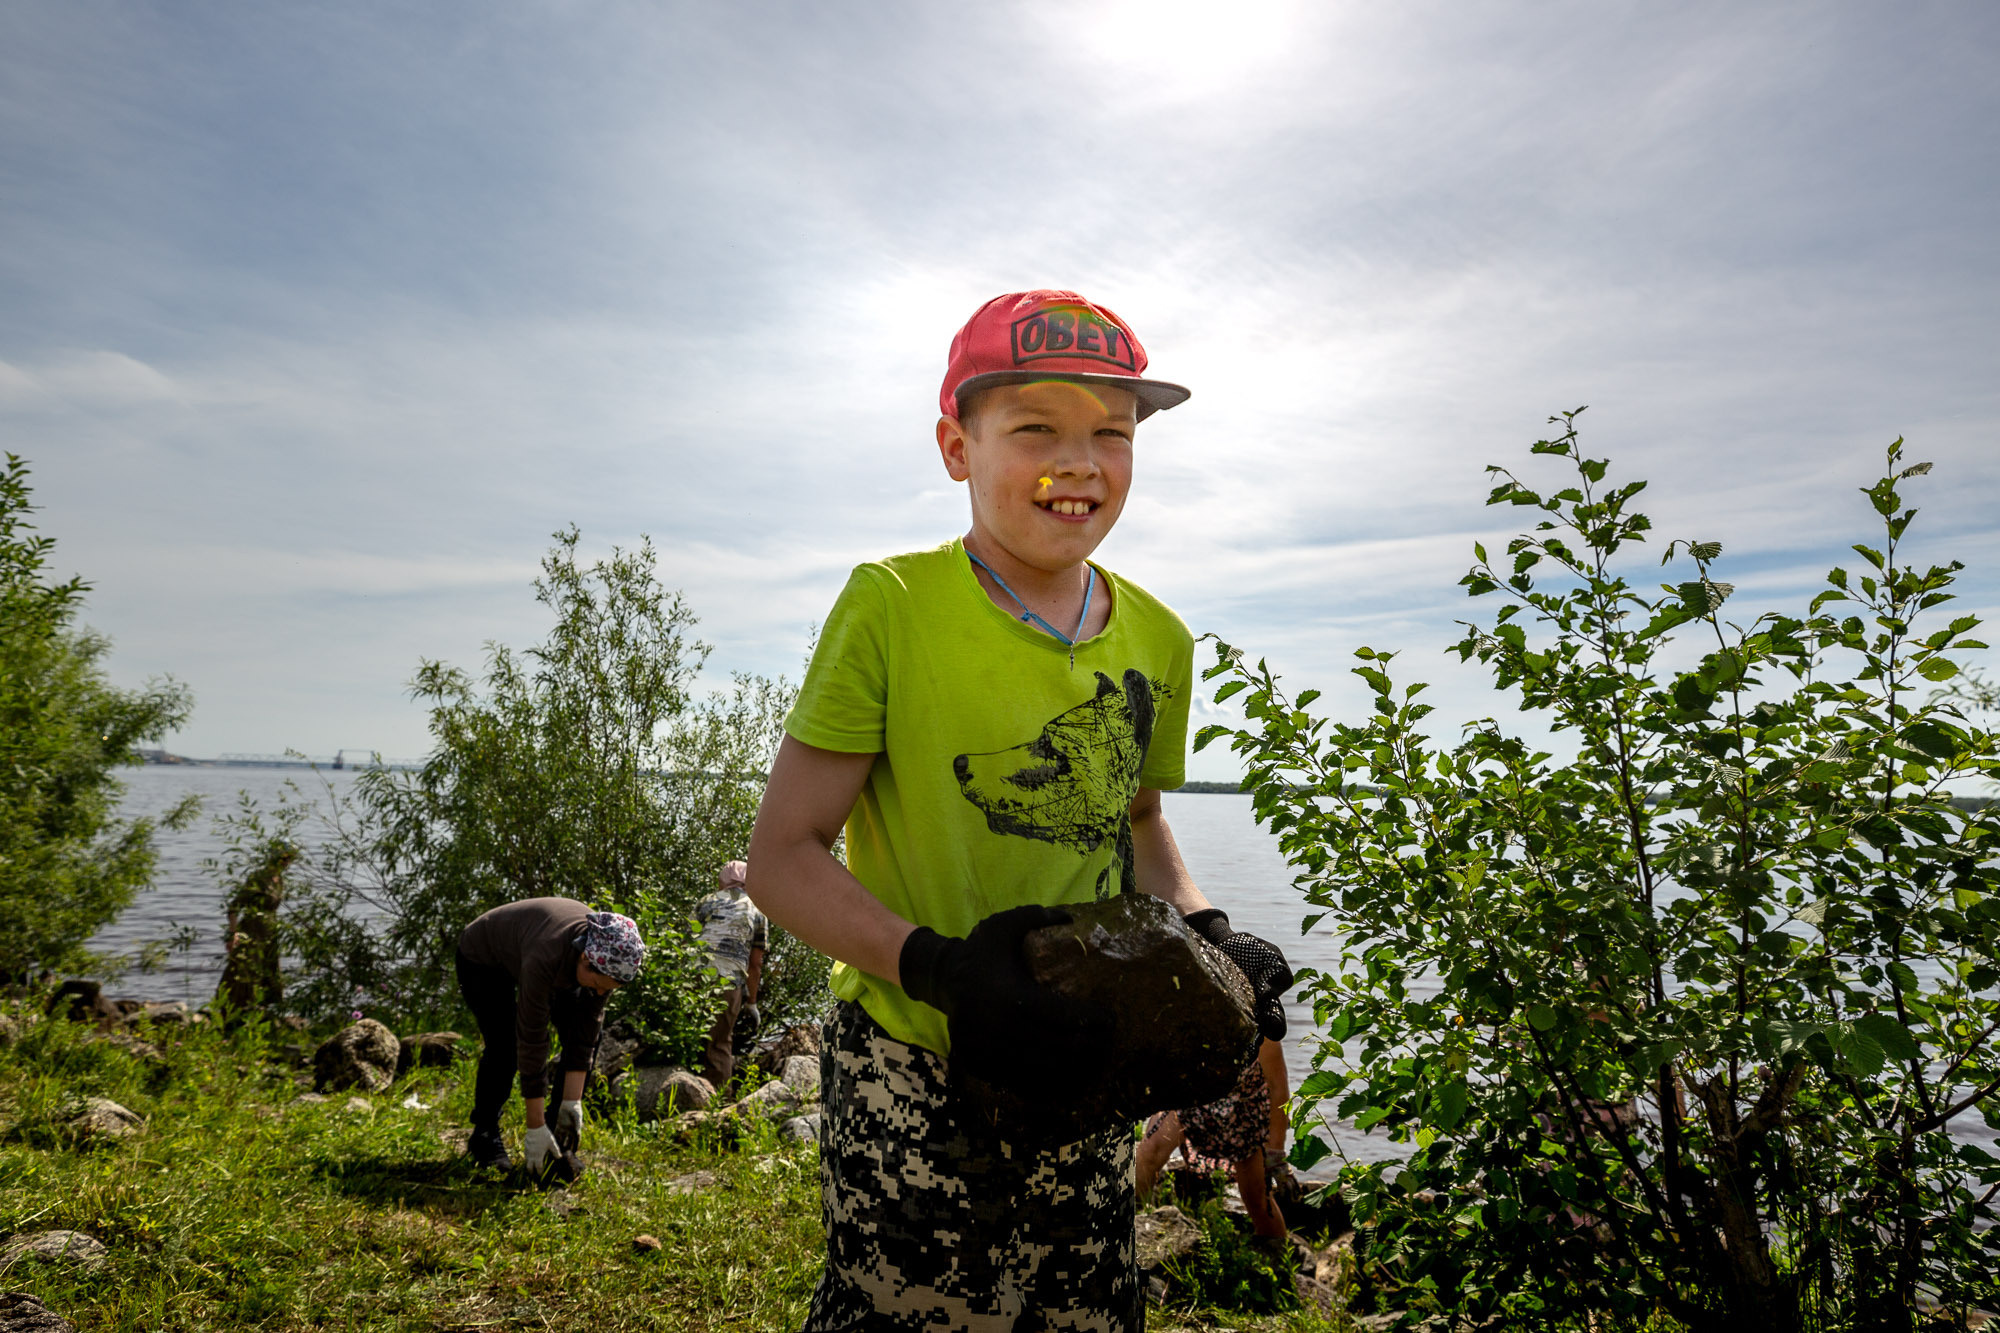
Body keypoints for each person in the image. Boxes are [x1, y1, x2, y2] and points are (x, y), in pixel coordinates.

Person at [747, 290, 1295, 1332]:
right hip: (912, 1062)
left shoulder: (1160, 641)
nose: (1078, 462)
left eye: (1111, 434)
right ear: (957, 446)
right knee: (898, 1313)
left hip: (1085, 1071)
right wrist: (942, 972)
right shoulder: (890, 606)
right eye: (1035, 428)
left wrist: (1209, 931)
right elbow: (781, 856)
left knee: (1085, 1311)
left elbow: (1134, 826)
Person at [454, 898, 645, 1172]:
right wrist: (534, 1126)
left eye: (608, 989)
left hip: (545, 955)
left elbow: (585, 1035)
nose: (600, 993)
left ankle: (558, 1141)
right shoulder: (546, 957)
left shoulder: (609, 961)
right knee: (506, 1044)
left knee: (589, 1033)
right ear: (585, 958)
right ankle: (485, 1136)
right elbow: (532, 1040)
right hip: (483, 960)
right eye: (598, 985)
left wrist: (572, 1103)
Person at [1135, 1039, 1293, 1240]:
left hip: (1243, 1108)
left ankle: (1280, 1259)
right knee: (1150, 1151)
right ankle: (1128, 1230)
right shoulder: (1182, 1010)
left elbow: (1278, 1086)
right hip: (1192, 1093)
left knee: (1256, 1199)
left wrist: (1275, 1154)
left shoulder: (1260, 1015)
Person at [694, 859, 768, 1090]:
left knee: (693, 1038)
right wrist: (752, 1003)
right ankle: (717, 1105)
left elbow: (687, 943)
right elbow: (755, 964)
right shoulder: (756, 911)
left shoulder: (706, 902)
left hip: (696, 979)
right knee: (719, 1043)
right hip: (729, 982)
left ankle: (685, 1092)